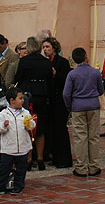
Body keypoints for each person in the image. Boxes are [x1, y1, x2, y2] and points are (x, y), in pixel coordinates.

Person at [63, 47, 104, 177]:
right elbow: (101, 90)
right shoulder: (95, 72)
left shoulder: (72, 74)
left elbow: (66, 93)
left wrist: (69, 106)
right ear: (86, 56)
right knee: (93, 136)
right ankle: (93, 166)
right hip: (93, 105)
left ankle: (81, 167)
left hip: (77, 106)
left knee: (80, 137)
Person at [14, 37, 52, 170]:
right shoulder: (45, 62)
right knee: (40, 128)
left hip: (27, 96)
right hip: (41, 95)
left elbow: (17, 78)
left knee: (28, 127)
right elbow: (49, 79)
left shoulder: (24, 61)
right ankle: (40, 157)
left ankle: (29, 159)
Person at [0, 87, 36, 195]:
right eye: (20, 98)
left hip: (22, 147)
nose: (23, 101)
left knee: (21, 169)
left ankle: (18, 186)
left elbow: (32, 126)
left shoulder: (25, 112)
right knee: (4, 169)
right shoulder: (3, 114)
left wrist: (29, 123)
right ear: (12, 100)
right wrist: (4, 126)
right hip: (8, 148)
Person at [42, 36, 72, 168]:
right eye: (43, 47)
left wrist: (55, 74)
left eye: (47, 47)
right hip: (50, 101)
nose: (45, 49)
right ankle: (54, 156)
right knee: (51, 130)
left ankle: (64, 159)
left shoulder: (62, 62)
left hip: (60, 100)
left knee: (61, 130)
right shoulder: (45, 62)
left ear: (54, 48)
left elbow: (66, 80)